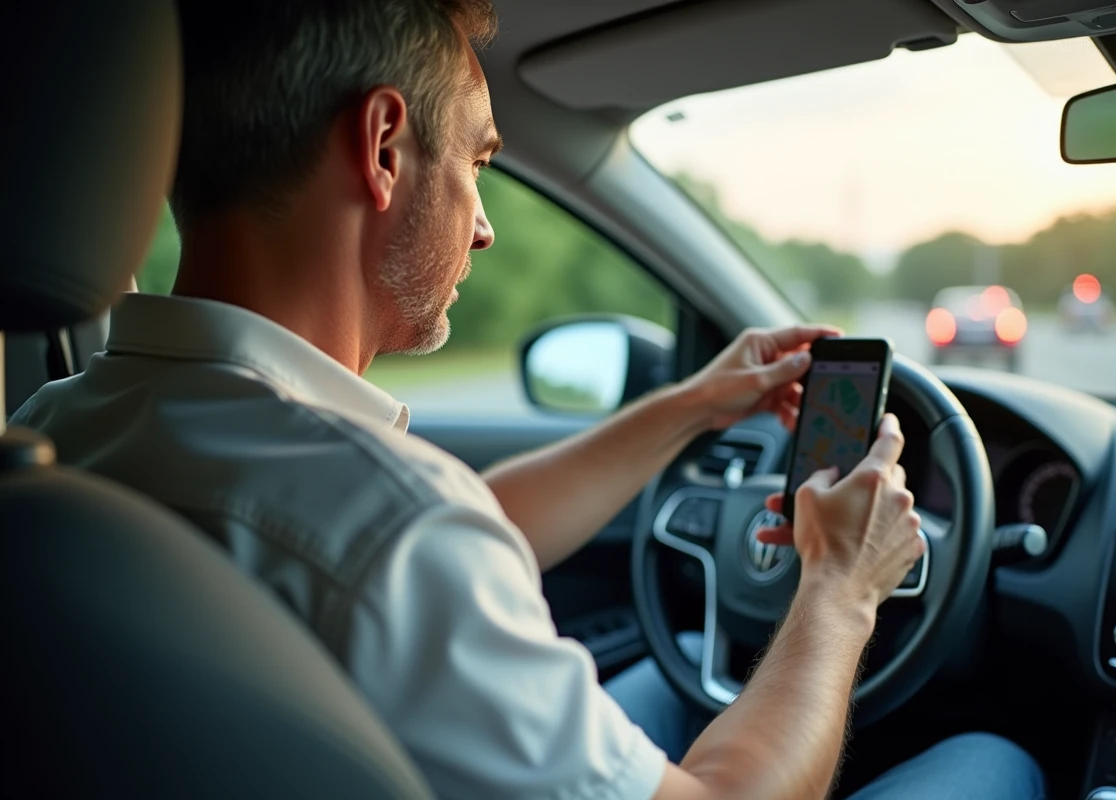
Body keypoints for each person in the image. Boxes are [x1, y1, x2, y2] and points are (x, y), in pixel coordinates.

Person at [10, 2, 1046, 798]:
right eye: (478, 162)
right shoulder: (392, 529)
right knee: (997, 760)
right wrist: (843, 583)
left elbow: (413, 543)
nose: (484, 226)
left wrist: (690, 402)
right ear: (382, 149)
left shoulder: (59, 434)